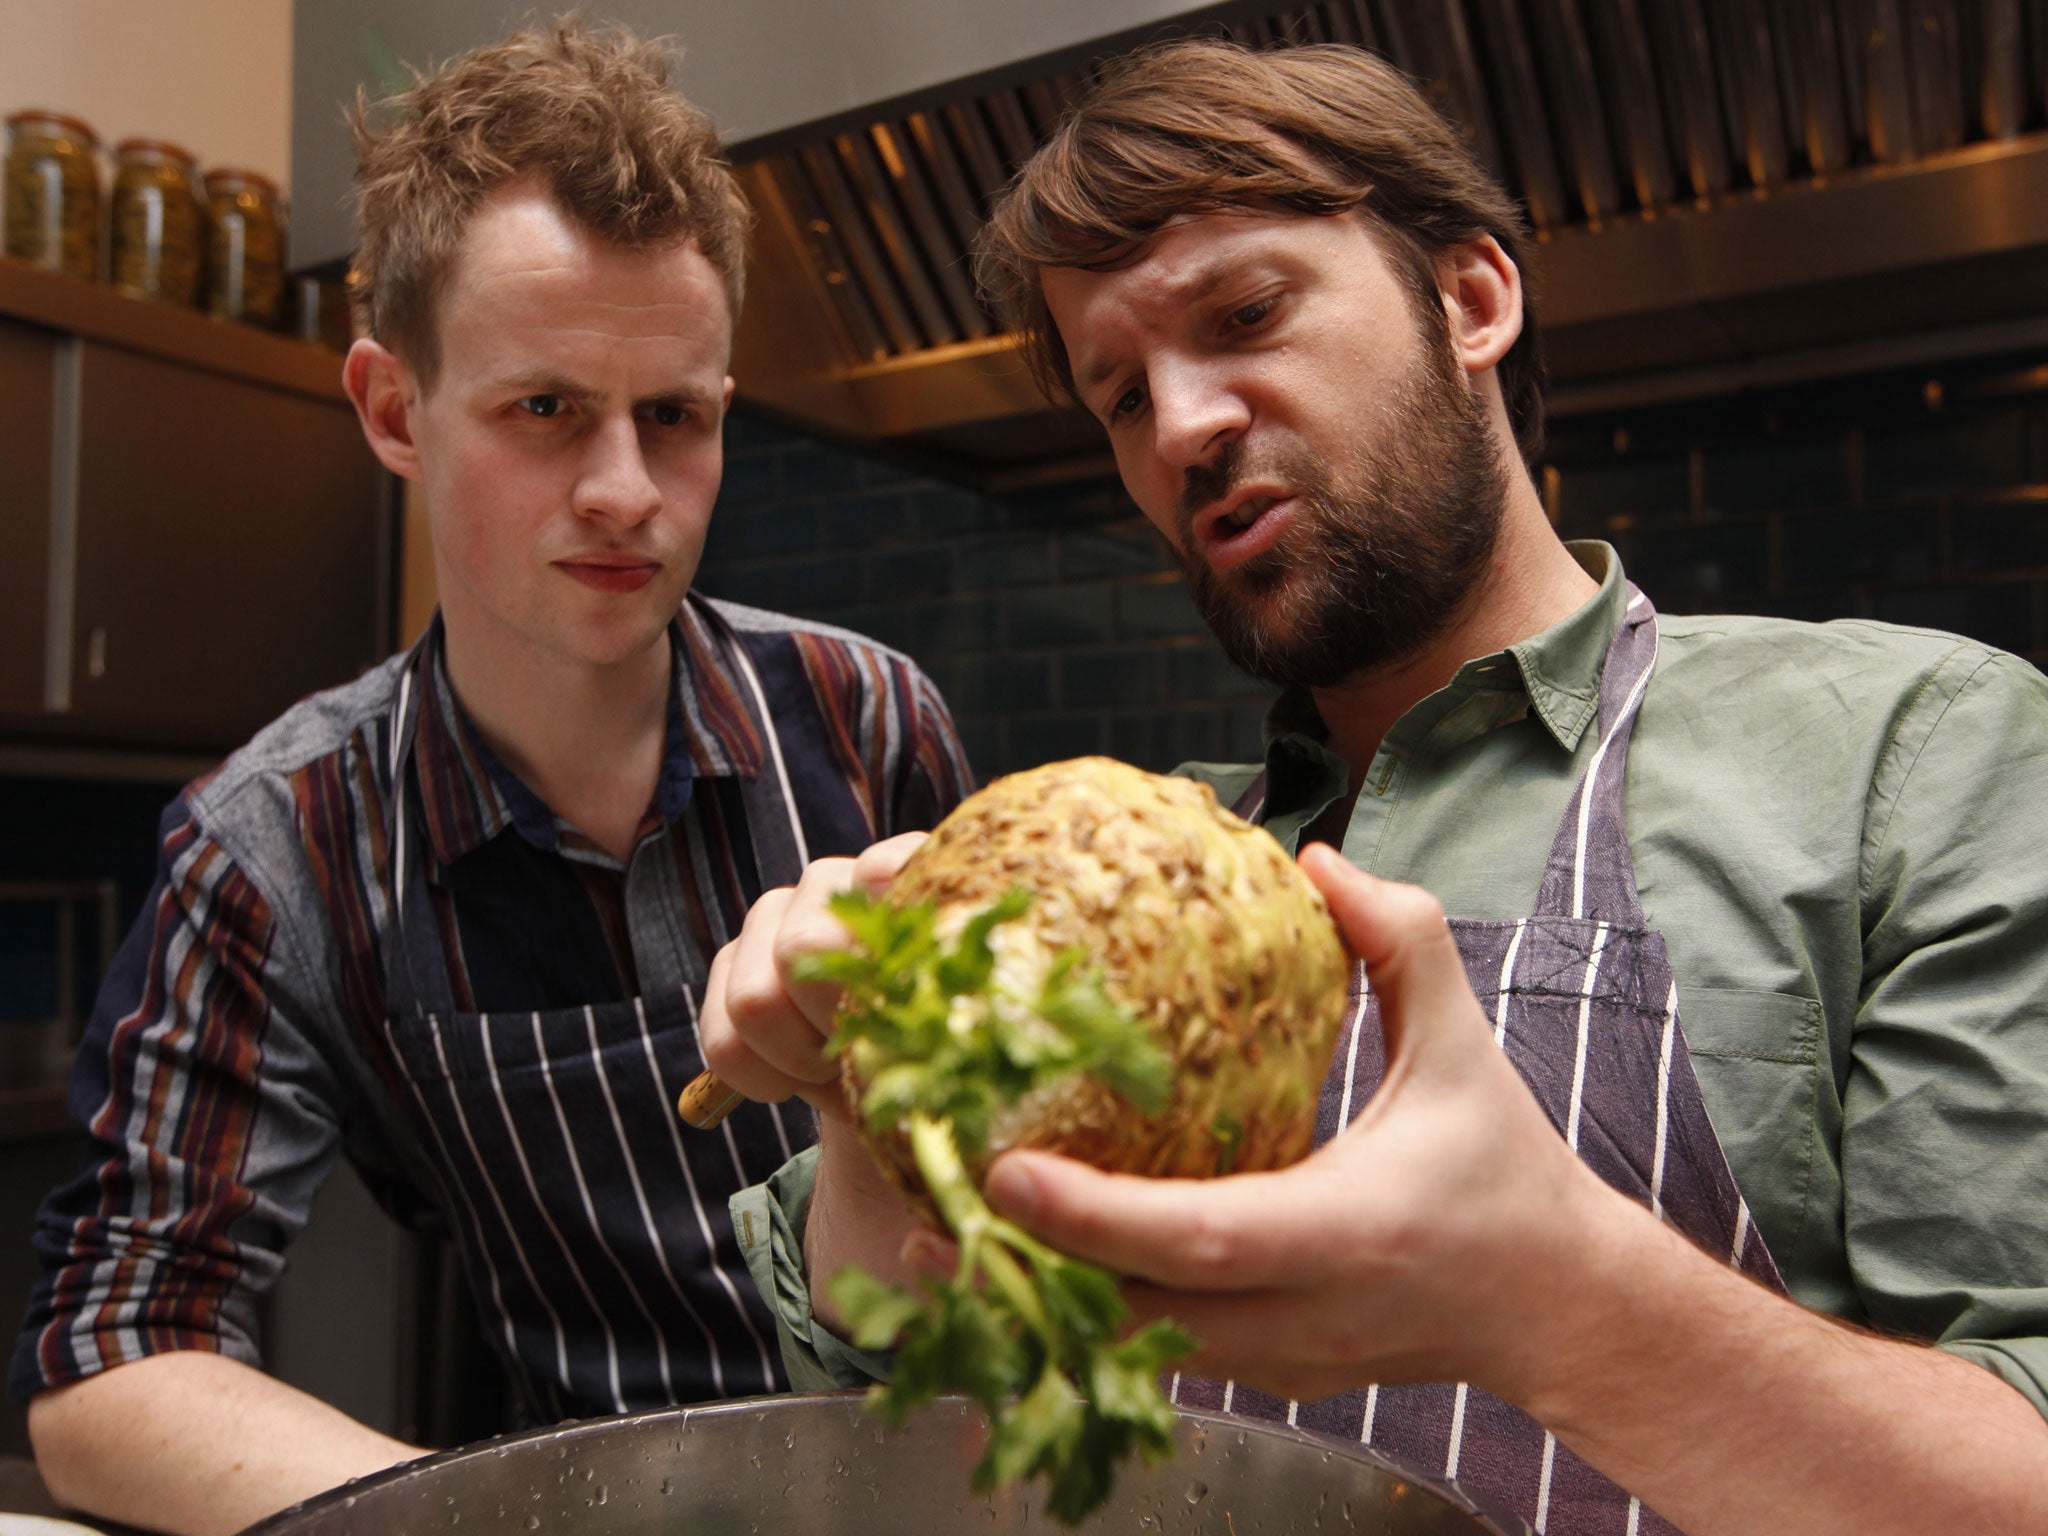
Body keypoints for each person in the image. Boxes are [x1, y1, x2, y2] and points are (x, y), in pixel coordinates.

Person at [698, 38, 2048, 1536]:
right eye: (1122, 398)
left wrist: (1563, 1296)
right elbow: (922, 1403)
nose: (1187, 426)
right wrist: (861, 1116)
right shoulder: (1122, 878)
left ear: (1471, 300)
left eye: (1247, 313)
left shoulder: (1906, 752)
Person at [11, 24, 971, 1536]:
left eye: (676, 416)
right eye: (546, 410)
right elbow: (109, 1356)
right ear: (395, 410)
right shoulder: (280, 848)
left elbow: (1011, 1172)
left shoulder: (868, 719)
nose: (624, 491)